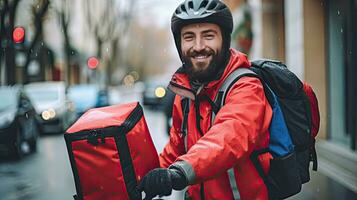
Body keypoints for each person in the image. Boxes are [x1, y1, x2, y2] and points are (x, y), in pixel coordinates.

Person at [138, 0, 273, 199]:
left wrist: (180, 173)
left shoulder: (246, 86)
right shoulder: (185, 96)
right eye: (189, 37)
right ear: (179, 44)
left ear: (224, 40)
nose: (199, 46)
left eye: (208, 36)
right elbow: (175, 150)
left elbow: (228, 138)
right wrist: (141, 180)